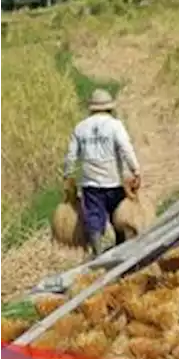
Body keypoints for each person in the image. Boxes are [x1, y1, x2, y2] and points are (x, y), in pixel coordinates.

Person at [62, 88, 142, 256]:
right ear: (109, 108)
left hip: (90, 182)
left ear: (91, 108)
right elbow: (125, 149)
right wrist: (135, 169)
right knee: (117, 216)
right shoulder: (115, 125)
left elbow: (71, 155)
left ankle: (97, 253)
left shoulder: (81, 128)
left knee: (93, 217)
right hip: (113, 180)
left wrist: (68, 174)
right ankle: (121, 250)